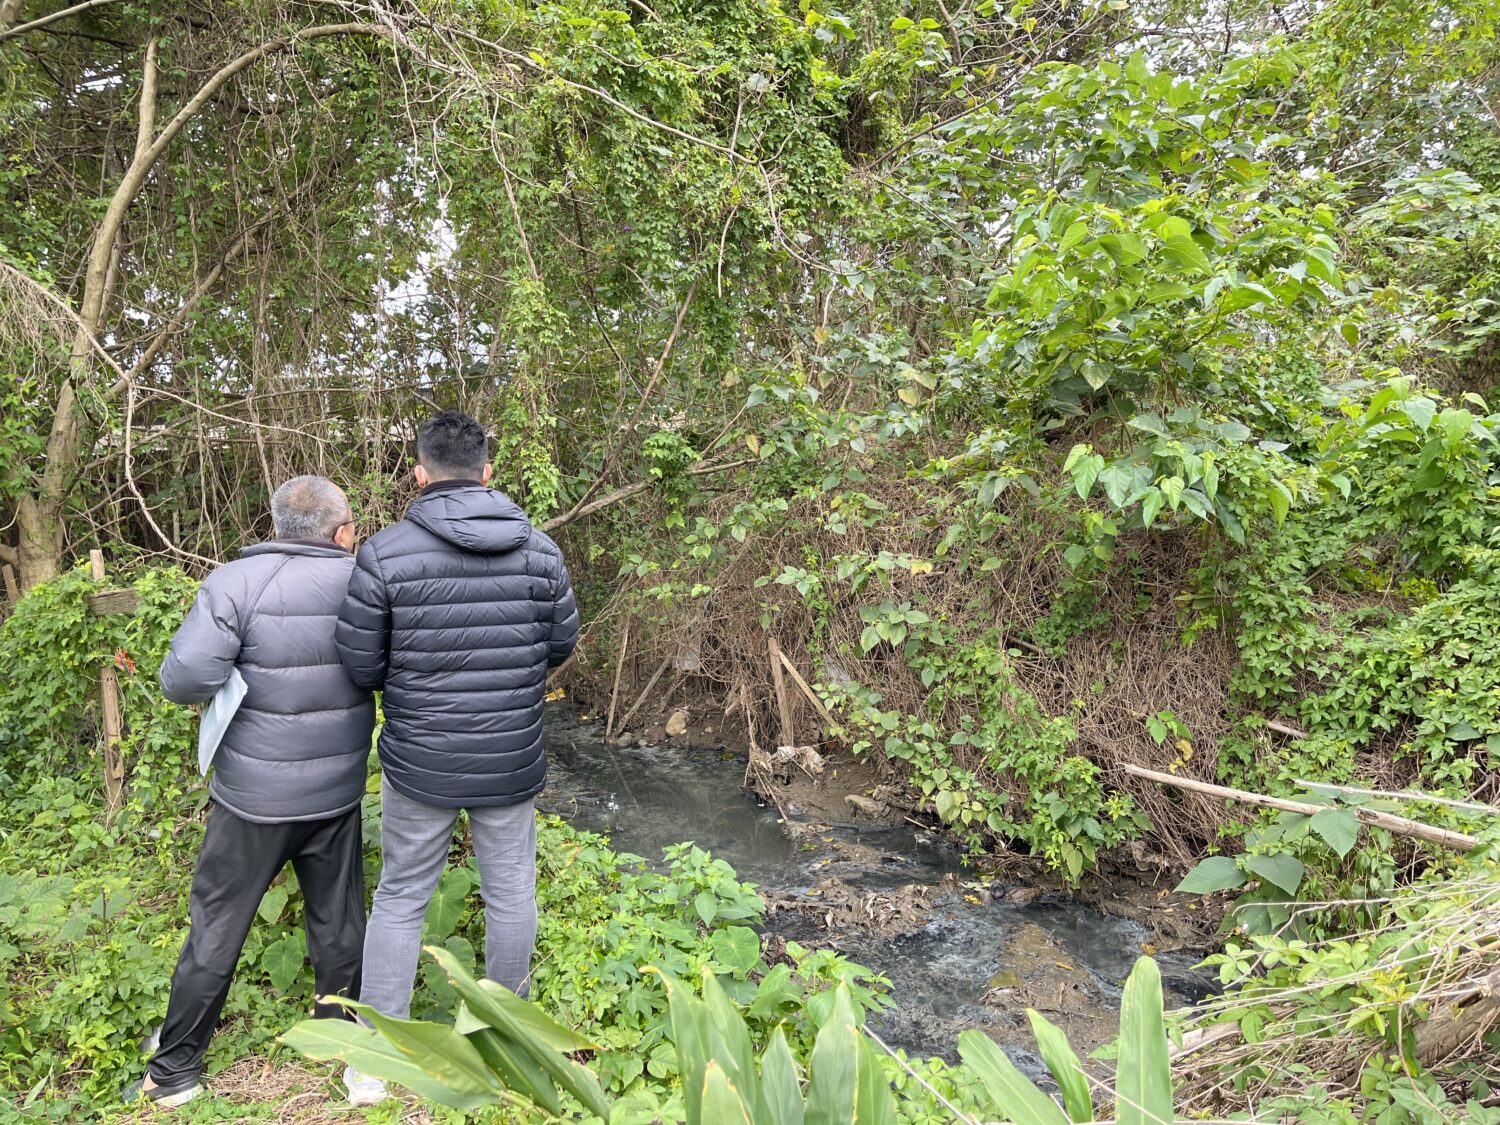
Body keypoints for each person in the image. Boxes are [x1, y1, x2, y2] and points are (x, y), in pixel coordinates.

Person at [335, 410, 578, 1106]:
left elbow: (359, 661)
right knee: (511, 894)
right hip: (509, 755)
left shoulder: (383, 552)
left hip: (420, 759)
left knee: (402, 897)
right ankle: (504, 1042)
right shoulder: (540, 550)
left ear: (420, 472)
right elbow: (558, 642)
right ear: (489, 472)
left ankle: (375, 1062)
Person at [125, 476, 375, 1107]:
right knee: (338, 918)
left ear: (278, 527)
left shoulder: (236, 583)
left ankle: (177, 1069)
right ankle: (340, 1038)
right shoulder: (366, 583)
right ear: (342, 531)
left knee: (217, 926)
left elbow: (185, 679)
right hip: (337, 789)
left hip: (253, 797)